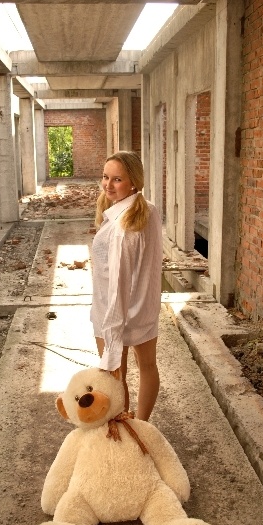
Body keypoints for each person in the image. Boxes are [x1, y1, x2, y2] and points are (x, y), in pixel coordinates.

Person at [90, 150, 163, 421]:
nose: (108, 185)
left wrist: (112, 331)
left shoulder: (122, 227)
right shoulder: (149, 210)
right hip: (144, 307)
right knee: (148, 367)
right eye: (105, 177)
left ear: (134, 182)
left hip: (113, 309)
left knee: (115, 377)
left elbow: (118, 282)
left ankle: (124, 428)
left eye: (117, 179)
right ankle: (142, 425)